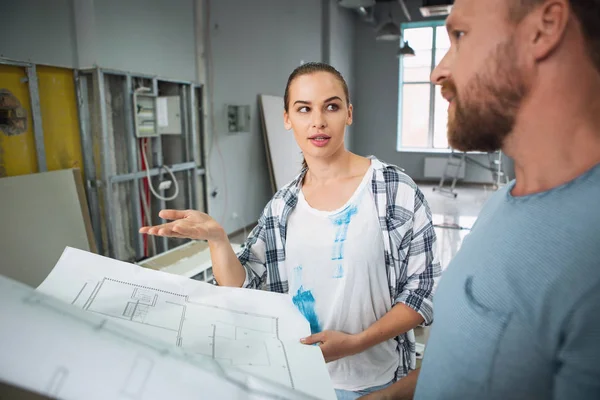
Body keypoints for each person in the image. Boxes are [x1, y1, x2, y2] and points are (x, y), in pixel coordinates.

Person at [140, 62, 441, 399]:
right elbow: (245, 284)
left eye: (331, 106)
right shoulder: (283, 206)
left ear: (349, 113)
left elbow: (422, 293)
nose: (318, 121)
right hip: (299, 378)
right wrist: (217, 240)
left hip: (378, 381)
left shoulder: (392, 189)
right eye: (303, 109)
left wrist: (356, 343)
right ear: (287, 118)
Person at [361, 0, 600, 399]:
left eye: (460, 35)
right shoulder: (503, 202)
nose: (439, 71)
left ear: (544, 29)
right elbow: (466, 365)